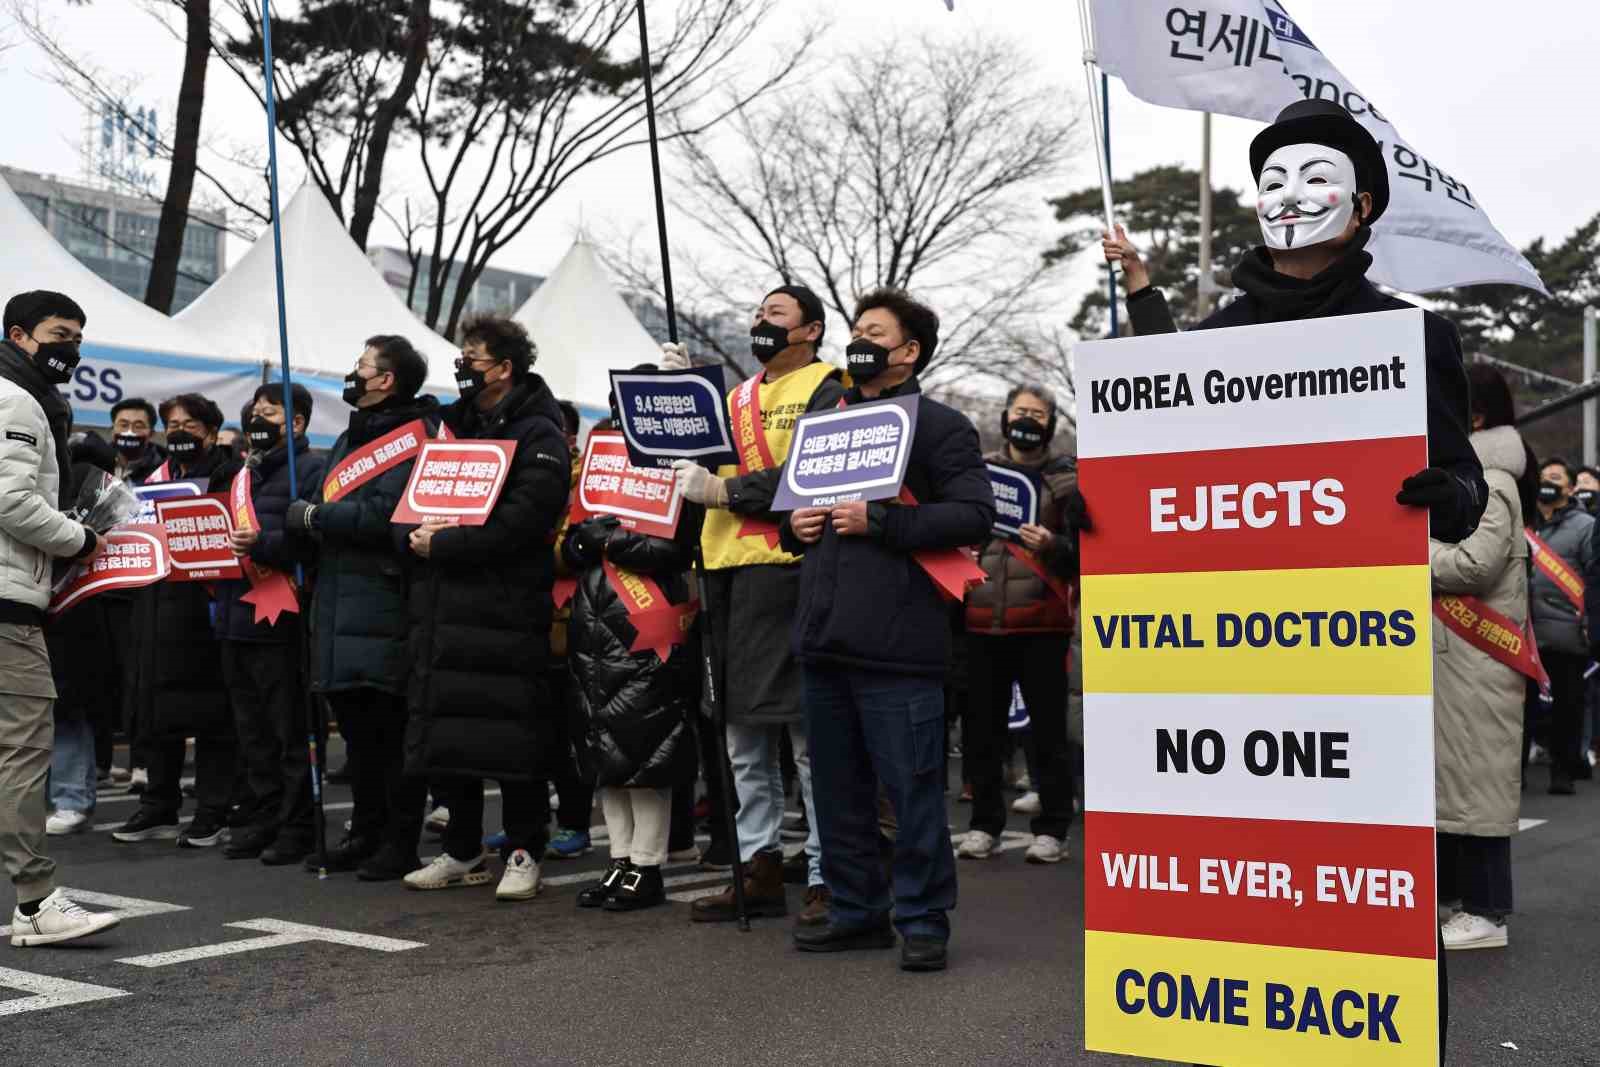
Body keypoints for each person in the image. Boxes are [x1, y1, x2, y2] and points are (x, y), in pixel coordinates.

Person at [1103, 99, 1487, 545]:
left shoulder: (1418, 339)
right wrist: (1102, 507)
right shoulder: (1212, 341)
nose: (1288, 196)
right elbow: (1161, 465)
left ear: (1361, 206)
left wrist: (1452, 496)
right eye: (1274, 183)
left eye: (1317, 178)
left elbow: (1467, 480)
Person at [781, 288, 996, 973]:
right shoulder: (826, 414)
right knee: (838, 792)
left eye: (875, 332)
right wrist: (797, 526)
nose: (859, 340)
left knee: (911, 790)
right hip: (824, 639)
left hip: (901, 645)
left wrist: (882, 522)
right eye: (856, 330)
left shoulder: (941, 427)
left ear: (908, 351)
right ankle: (856, 910)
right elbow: (793, 508)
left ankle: (923, 917)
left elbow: (973, 517)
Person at [672, 285, 846, 926]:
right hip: (725, 573)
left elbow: (811, 467)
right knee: (741, 734)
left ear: (811, 330)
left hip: (789, 570)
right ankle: (759, 865)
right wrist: (674, 398)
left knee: (806, 736)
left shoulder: (831, 386)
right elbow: (682, 462)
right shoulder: (735, 397)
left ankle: (827, 871)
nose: (760, 323)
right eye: (757, 314)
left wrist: (724, 489)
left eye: (776, 315)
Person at [400, 316, 570, 902]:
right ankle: (462, 848)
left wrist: (446, 544)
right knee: (453, 732)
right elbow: (421, 499)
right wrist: (418, 535)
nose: (462, 365)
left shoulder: (540, 433)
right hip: (446, 607)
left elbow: (526, 522)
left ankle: (524, 849)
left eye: (472, 356)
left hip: (505, 605)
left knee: (513, 736)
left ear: (504, 368)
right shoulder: (454, 427)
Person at [285, 337, 440, 880]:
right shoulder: (354, 434)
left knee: (389, 733)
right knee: (357, 739)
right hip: (338, 602)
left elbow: (385, 516)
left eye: (361, 366)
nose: (352, 374)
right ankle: (365, 830)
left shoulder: (416, 437)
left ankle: (400, 840)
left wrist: (313, 519)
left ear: (386, 380)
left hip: (384, 600)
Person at [1, 290, 118, 946]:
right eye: (57, 333)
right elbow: (13, 501)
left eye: (77, 335)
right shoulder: (17, 401)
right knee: (23, 754)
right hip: (8, 604)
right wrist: (81, 538)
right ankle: (36, 900)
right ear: (19, 334)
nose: (69, 347)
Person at [958, 383, 1084, 865]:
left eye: (1038, 413)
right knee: (983, 732)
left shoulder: (1067, 480)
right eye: (1020, 411)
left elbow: (1087, 556)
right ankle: (983, 826)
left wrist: (1052, 544)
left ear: (1051, 423)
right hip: (981, 622)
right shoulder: (978, 474)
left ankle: (1053, 829)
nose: (1027, 420)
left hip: (1043, 626)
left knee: (1047, 733)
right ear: (1006, 416)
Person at [1432, 366, 1535, 950]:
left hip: (1480, 656)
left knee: (1479, 785)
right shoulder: (1471, 477)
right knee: (1456, 783)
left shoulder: (1493, 480)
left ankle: (1488, 912)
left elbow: (1476, 565)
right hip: (1459, 657)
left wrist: (1412, 553)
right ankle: (1461, 902)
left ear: (1474, 416)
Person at [111, 394, 240, 849]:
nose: (180, 431)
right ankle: (158, 804)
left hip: (206, 609)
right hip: (156, 608)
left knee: (210, 717)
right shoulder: (154, 481)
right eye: (172, 424)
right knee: (156, 712)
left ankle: (212, 810)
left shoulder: (231, 475)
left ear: (209, 430)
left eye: (189, 424)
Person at [564, 498, 702, 911]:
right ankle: (620, 860)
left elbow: (672, 550)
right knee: (606, 759)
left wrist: (607, 539)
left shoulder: (669, 476)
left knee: (646, 754)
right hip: (593, 637)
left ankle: (646, 865)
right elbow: (572, 548)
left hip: (645, 635)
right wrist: (585, 541)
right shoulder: (601, 475)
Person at [211, 382, 327, 865]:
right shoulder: (242, 472)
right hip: (235, 615)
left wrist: (264, 544)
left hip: (284, 617)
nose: (258, 420)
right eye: (254, 412)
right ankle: (261, 814)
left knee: (289, 730)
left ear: (296, 422)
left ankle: (297, 822)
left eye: (270, 413)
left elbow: (313, 537)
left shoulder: (314, 470)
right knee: (252, 730)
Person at [43, 435, 120, 835]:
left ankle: (72, 795)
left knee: (67, 706)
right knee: (30, 710)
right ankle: (37, 798)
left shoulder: (86, 480)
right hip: (30, 605)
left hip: (73, 609)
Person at [1530, 456, 1593, 795]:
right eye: (1544, 476)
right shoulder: (1526, 523)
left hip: (1566, 631)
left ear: (1569, 488)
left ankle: (1563, 769)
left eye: (1556, 477)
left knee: (1568, 705)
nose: (1548, 481)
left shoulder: (1585, 526)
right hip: (1524, 632)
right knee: (1522, 705)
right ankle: (1518, 774)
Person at [109, 397, 164, 483]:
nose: (130, 432)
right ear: (112, 430)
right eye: (123, 425)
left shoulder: (166, 469)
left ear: (151, 433)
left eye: (138, 426)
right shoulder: (96, 460)